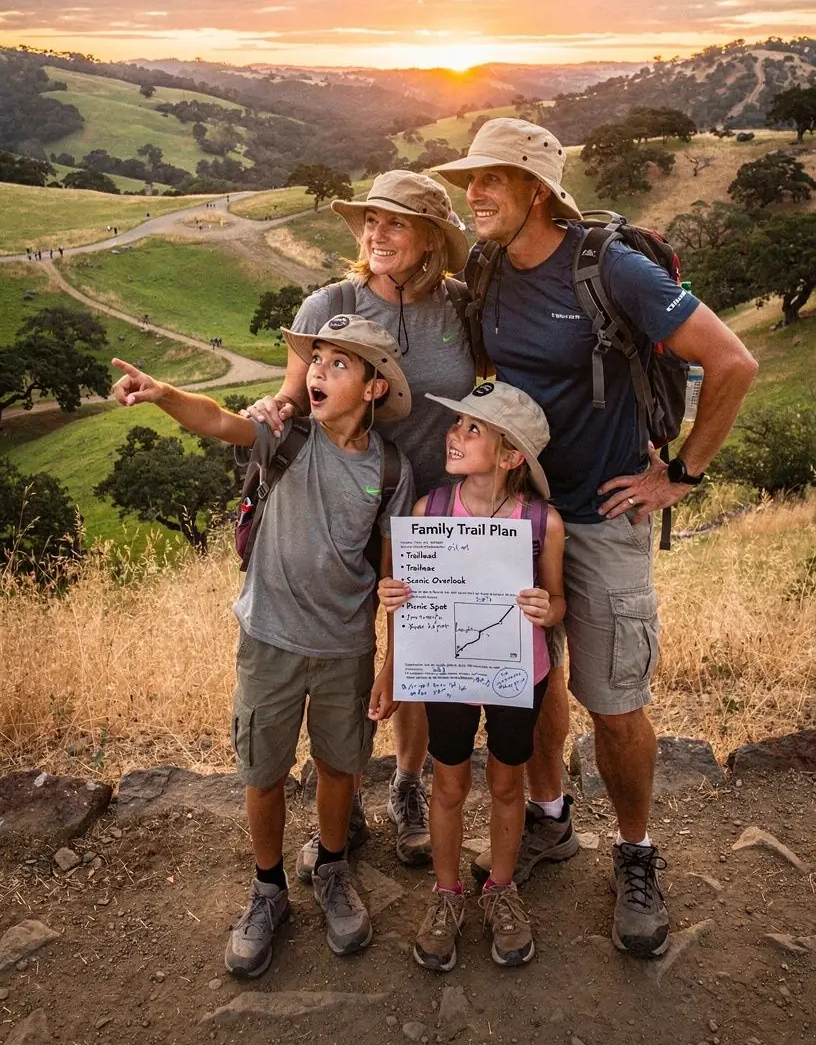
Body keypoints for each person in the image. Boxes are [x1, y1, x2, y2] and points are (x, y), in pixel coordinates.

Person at [434, 118, 758, 958]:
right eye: (471, 180)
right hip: (520, 515)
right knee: (532, 684)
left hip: (605, 515)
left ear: (537, 190)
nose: (475, 195)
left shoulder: (610, 267)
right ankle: (549, 821)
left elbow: (732, 363)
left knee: (613, 703)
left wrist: (678, 475)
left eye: (492, 180)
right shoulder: (486, 267)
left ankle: (636, 852)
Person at [109, 315, 415, 977]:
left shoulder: (391, 468)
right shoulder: (284, 434)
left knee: (340, 767)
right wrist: (164, 394)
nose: (319, 373)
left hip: (344, 649)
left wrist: (393, 663)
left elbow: (395, 576)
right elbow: (219, 421)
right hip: (269, 639)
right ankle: (268, 888)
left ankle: (332, 868)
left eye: (340, 364)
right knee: (264, 772)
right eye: (318, 360)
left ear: (372, 388)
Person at [244, 170, 476, 869]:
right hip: (344, 499)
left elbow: (488, 383)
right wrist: (267, 411)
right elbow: (294, 395)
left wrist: (491, 450)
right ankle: (343, 808)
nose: (376, 234)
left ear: (431, 237)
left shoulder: (461, 307)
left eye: (395, 223)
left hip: (435, 503)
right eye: (370, 222)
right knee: (354, 645)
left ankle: (407, 784)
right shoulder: (330, 303)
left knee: (420, 647)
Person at [381, 381, 565, 971]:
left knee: (509, 784)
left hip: (518, 673)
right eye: (457, 424)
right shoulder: (427, 512)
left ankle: (501, 888)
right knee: (449, 784)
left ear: (512, 456)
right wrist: (394, 596)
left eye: (472, 429)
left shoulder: (543, 523)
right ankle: (446, 893)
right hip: (448, 674)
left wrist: (547, 608)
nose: (453, 436)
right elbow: (406, 597)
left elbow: (558, 603)